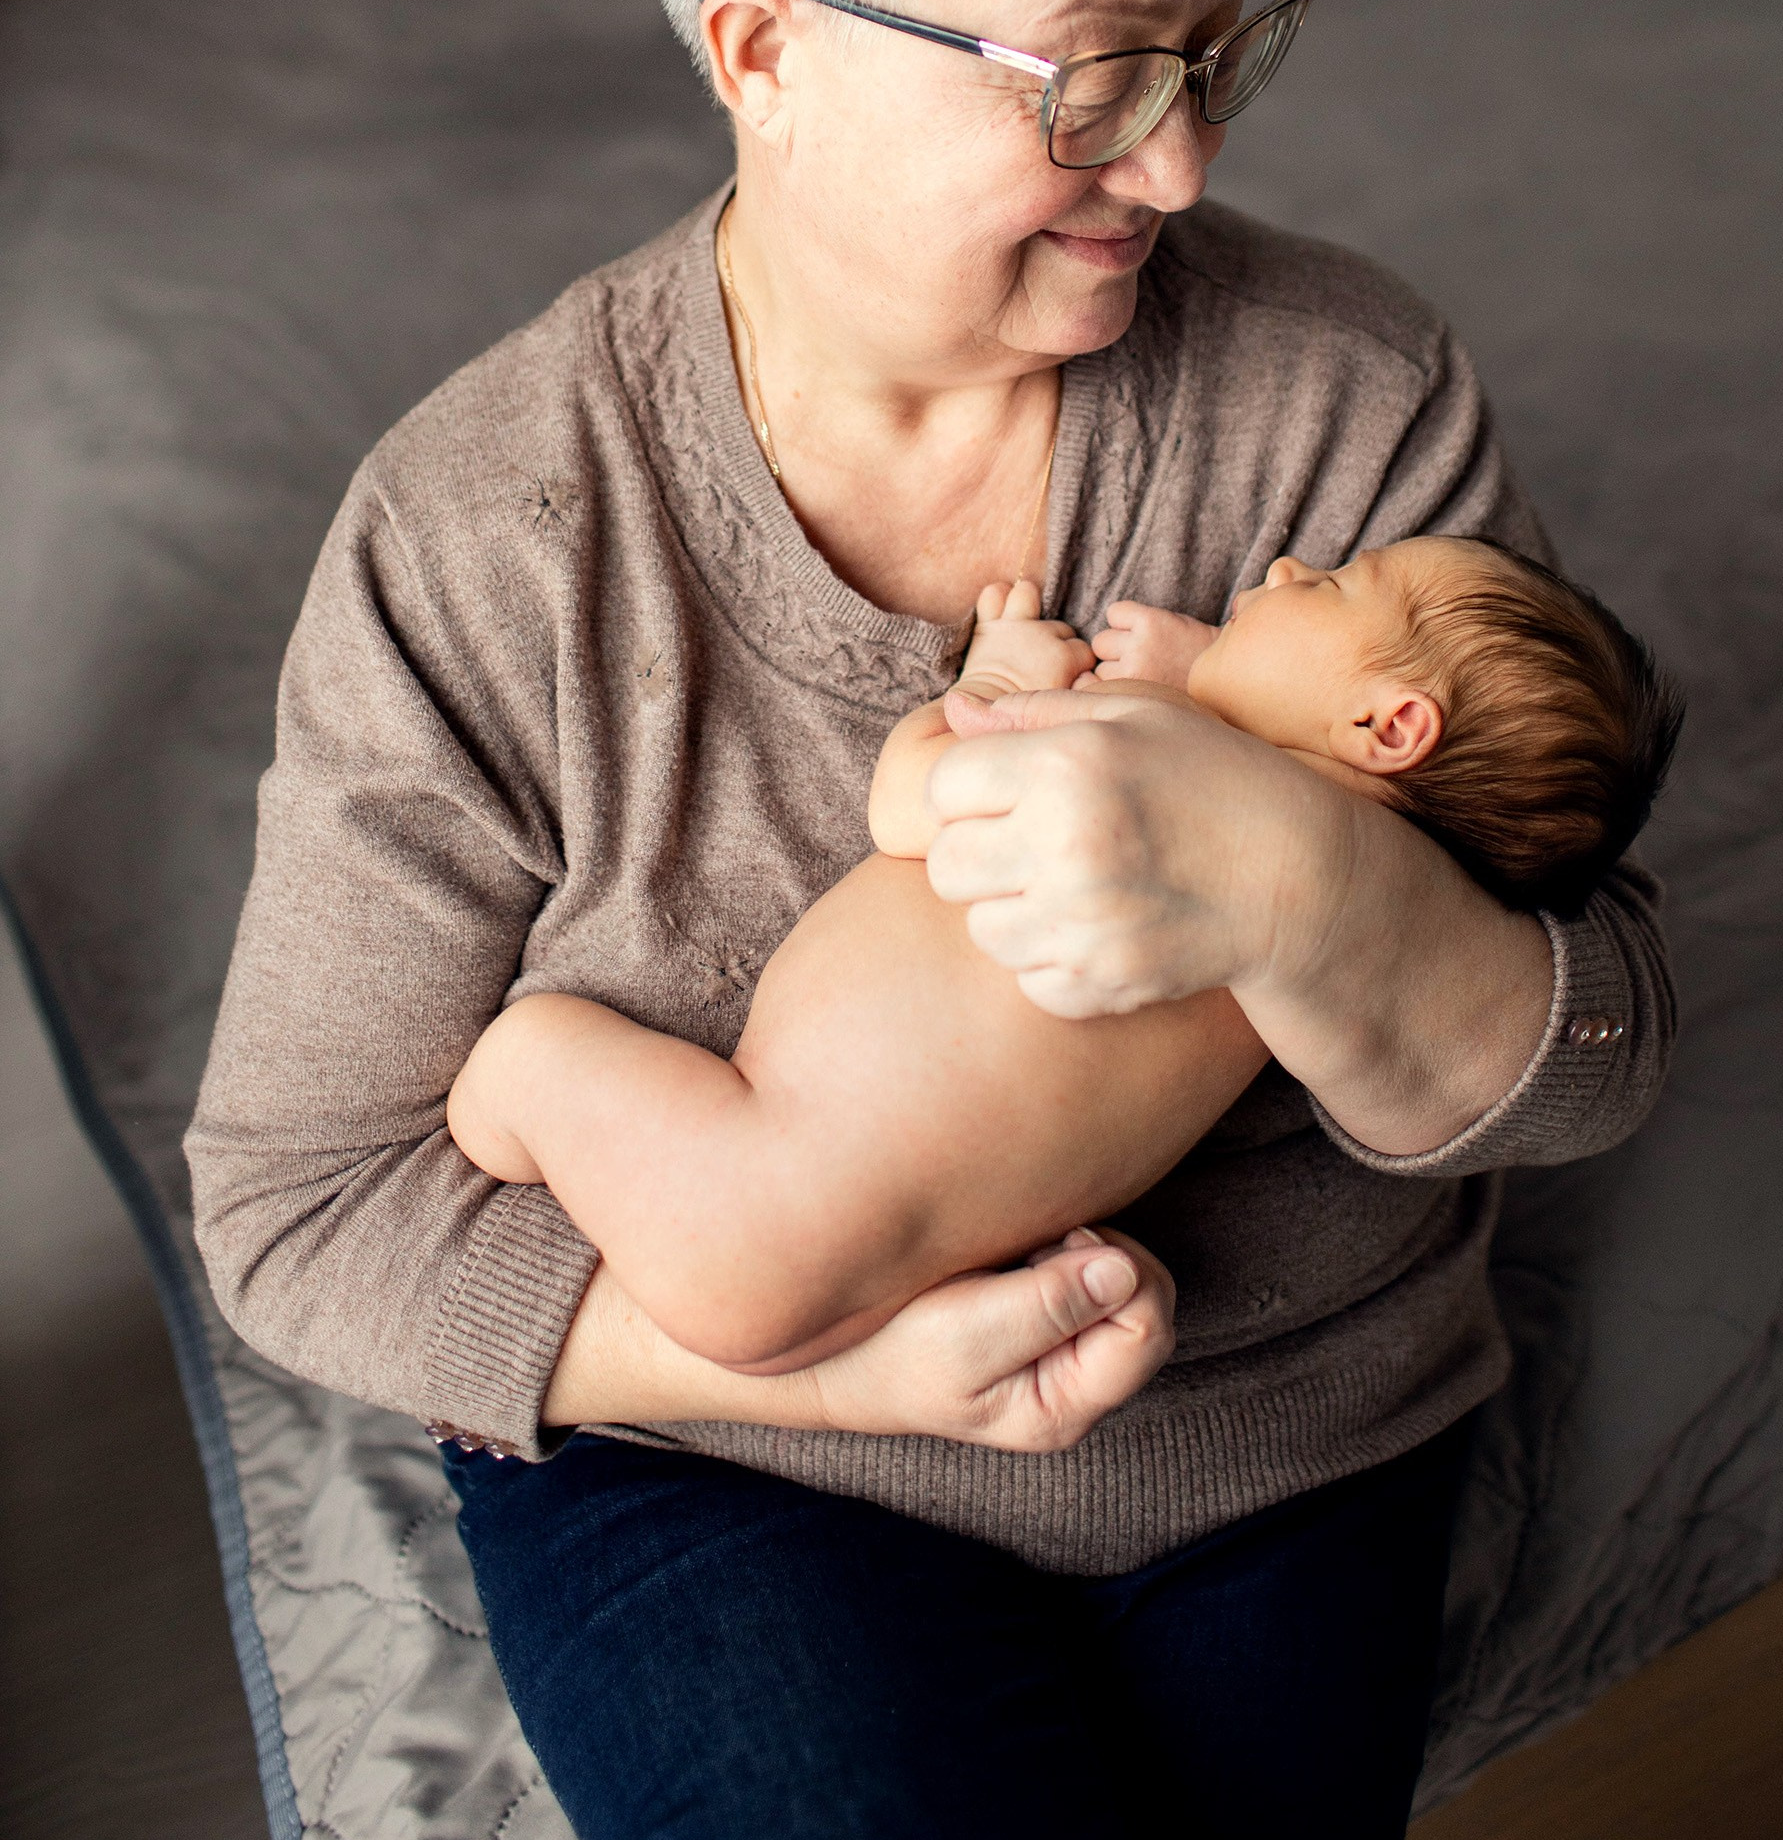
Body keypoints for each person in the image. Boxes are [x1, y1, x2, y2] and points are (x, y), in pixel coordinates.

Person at [187, 0, 1675, 1840]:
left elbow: (1591, 1051)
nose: (1179, 162)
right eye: (1095, 71)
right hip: (721, 1460)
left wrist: (1288, 875)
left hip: (1275, 1434)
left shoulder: (1338, 398)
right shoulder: (485, 533)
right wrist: (830, 1369)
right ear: (763, 51)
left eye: (1218, 50)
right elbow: (296, 1212)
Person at [444, 541, 1681, 1376]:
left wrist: (994, 683)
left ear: (1387, 723)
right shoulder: (1301, 978)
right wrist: (1226, 676)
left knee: (525, 1053)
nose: (1289, 566)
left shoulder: (1148, 759)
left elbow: (909, 803)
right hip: (893, 1290)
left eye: (1337, 586)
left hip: (751, 1199)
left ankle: (500, 1140)